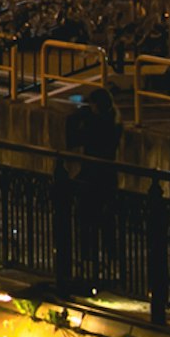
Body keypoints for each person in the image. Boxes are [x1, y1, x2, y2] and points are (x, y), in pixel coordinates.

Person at [57, 81, 122, 297]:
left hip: (93, 178)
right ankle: (110, 263)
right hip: (107, 178)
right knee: (106, 224)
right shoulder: (114, 122)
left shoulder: (97, 125)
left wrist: (76, 118)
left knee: (87, 221)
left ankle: (89, 263)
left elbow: (73, 140)